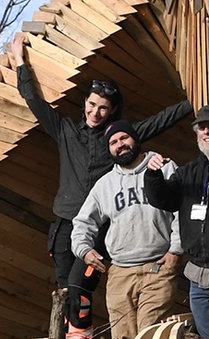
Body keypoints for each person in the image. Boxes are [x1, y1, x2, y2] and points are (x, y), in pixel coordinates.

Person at [15, 36, 193, 292]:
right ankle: (71, 333)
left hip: (102, 222)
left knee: (80, 285)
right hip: (66, 220)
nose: (95, 112)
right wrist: (20, 62)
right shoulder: (66, 130)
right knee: (65, 288)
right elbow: (35, 102)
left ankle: (83, 328)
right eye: (92, 104)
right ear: (85, 103)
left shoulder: (120, 138)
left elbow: (163, 119)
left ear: (111, 111)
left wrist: (197, 98)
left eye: (103, 108)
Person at [70, 120, 185, 339]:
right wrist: (84, 249)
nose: (120, 145)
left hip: (157, 268)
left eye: (124, 138)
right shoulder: (105, 185)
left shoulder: (163, 167)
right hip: (120, 272)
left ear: (135, 139)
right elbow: (83, 222)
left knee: (150, 338)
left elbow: (182, 210)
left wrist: (176, 250)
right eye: (113, 142)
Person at [144, 104, 209, 339]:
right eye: (201, 127)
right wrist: (153, 175)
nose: (207, 132)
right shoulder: (189, 172)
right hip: (197, 275)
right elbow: (163, 199)